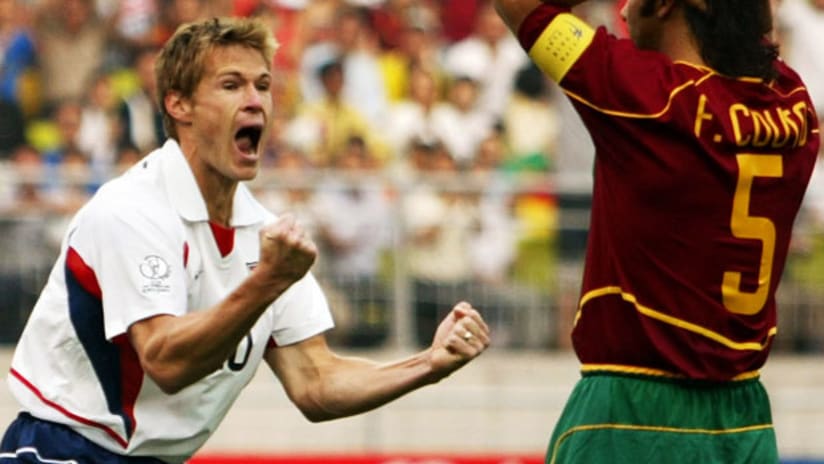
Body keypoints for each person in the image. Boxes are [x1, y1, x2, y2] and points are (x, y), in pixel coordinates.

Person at [0, 16, 490, 463]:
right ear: (179, 103)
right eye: (231, 85)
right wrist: (266, 282)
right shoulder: (131, 209)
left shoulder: (263, 235)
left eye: (263, 85)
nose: (255, 100)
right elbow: (166, 360)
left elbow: (316, 382)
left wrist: (429, 363)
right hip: (61, 451)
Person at [492, 0, 820, 463]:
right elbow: (754, 32)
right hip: (745, 424)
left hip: (630, 418)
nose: (622, 9)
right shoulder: (794, 104)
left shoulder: (645, 96)